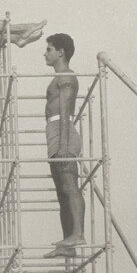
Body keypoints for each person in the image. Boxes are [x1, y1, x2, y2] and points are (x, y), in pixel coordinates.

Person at [42, 33, 85, 259]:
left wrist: (64, 144)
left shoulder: (66, 77)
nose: (45, 53)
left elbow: (67, 110)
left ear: (61, 52)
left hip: (62, 131)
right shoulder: (58, 77)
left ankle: (77, 233)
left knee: (69, 185)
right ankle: (67, 243)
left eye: (49, 49)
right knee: (62, 192)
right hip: (55, 131)